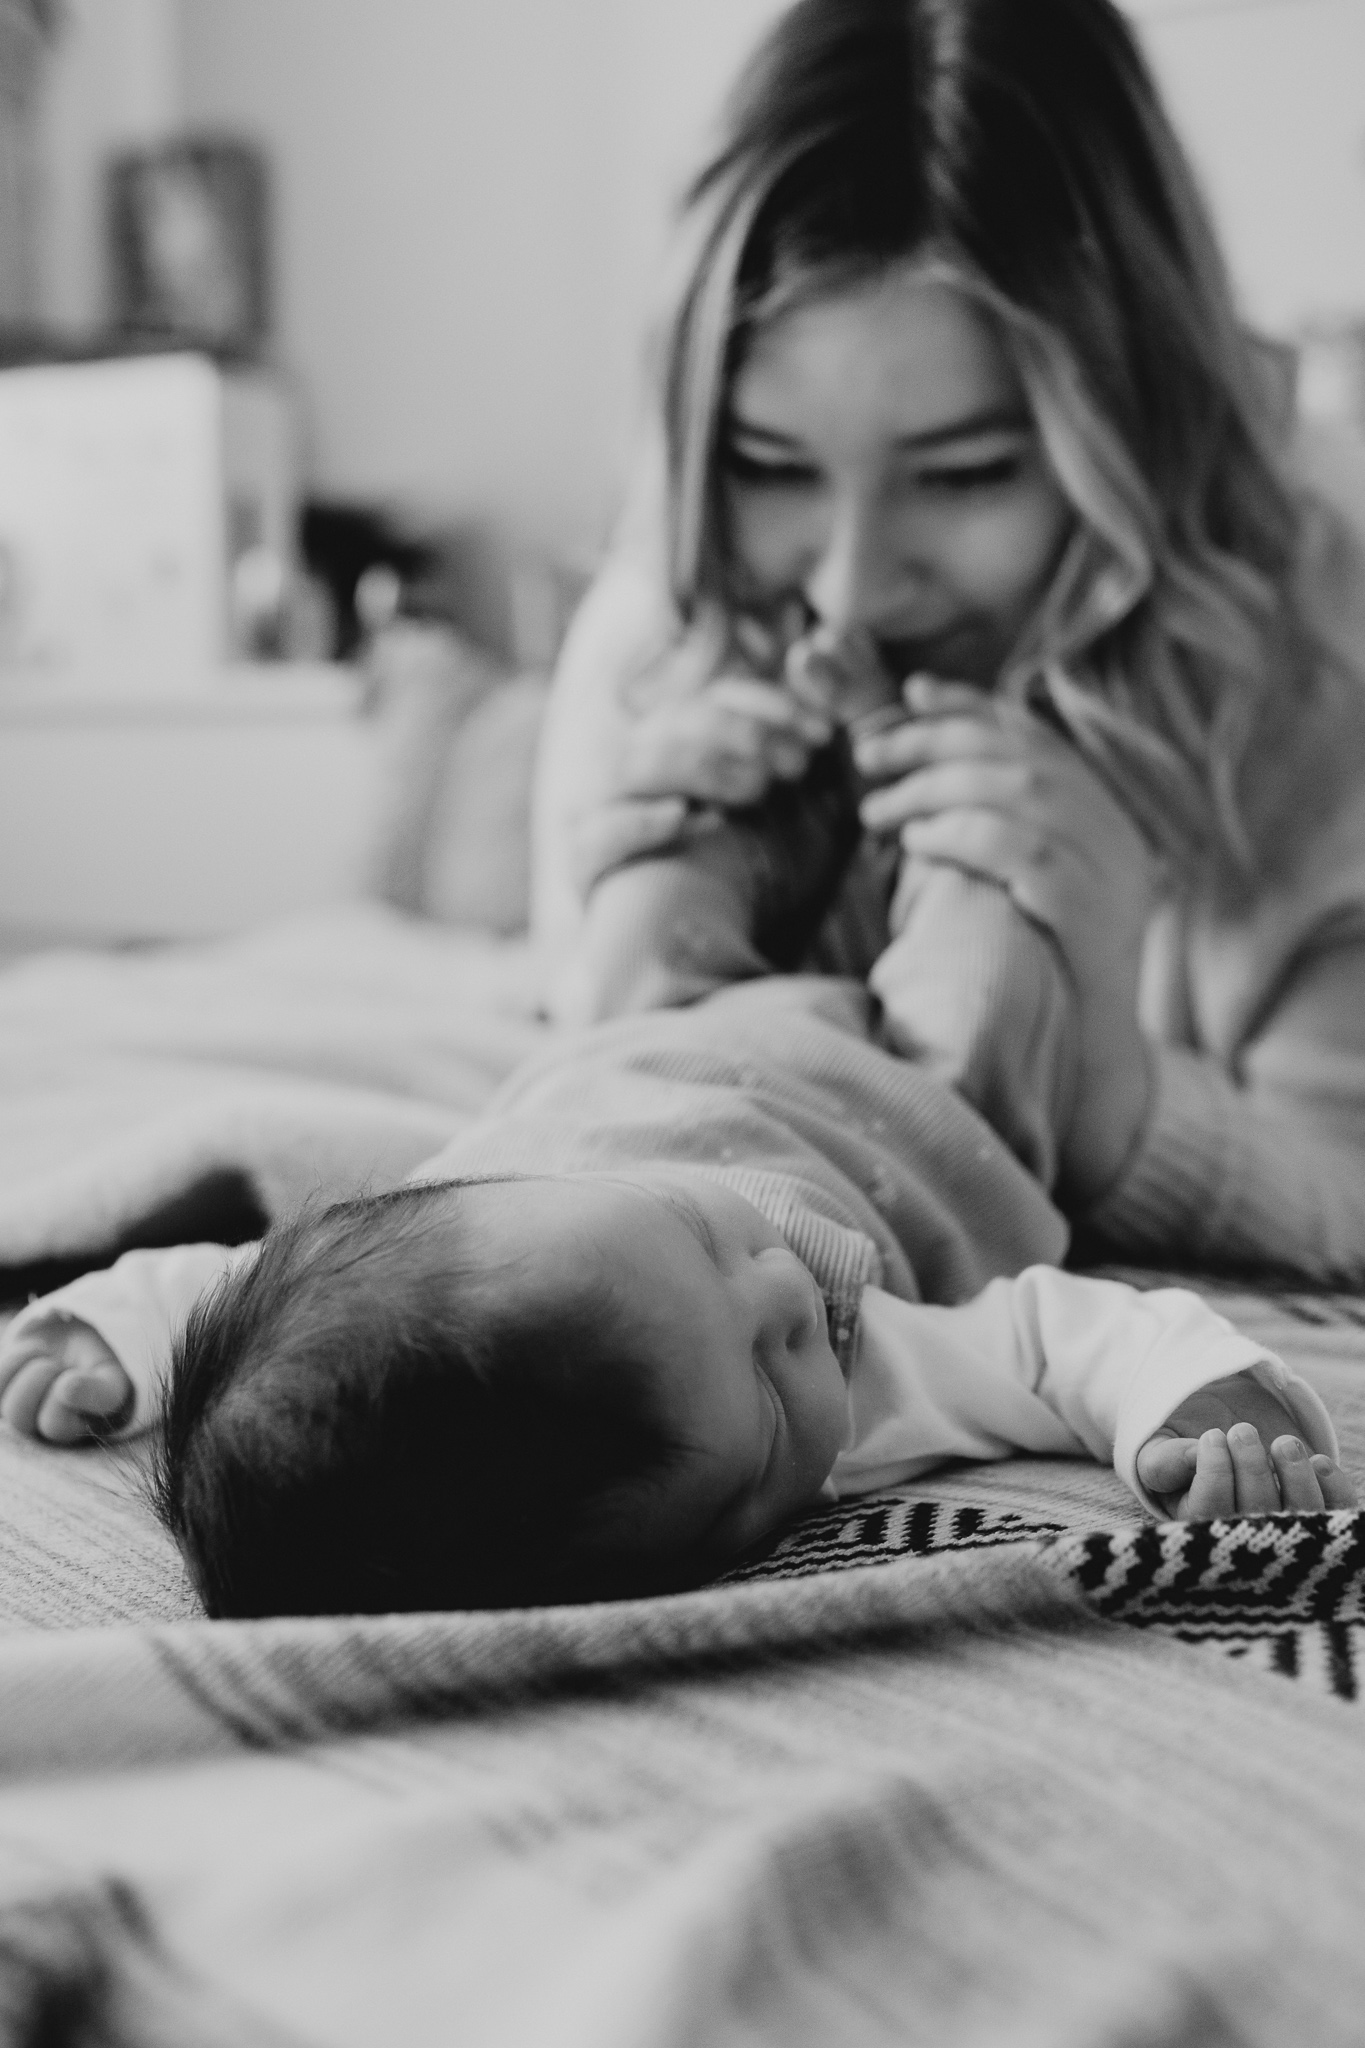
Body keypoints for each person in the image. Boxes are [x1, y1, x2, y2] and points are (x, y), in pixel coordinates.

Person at [531, 0, 1365, 1277]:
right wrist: (628, 956)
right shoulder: (660, 639)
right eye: (770, 464)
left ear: (1133, 433)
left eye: (966, 472)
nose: (852, 590)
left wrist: (1112, 1095)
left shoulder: (1314, 647)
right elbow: (579, 1110)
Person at [0, 980, 1353, 1615]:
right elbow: (1056, 1338)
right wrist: (1185, 1403)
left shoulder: (445, 1242)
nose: (784, 1283)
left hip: (642, 1025)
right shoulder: (871, 1383)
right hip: (883, 1059)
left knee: (693, 822)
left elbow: (228, 1290)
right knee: (993, 933)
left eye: (695, 1235)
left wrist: (109, 1331)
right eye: (772, 1380)